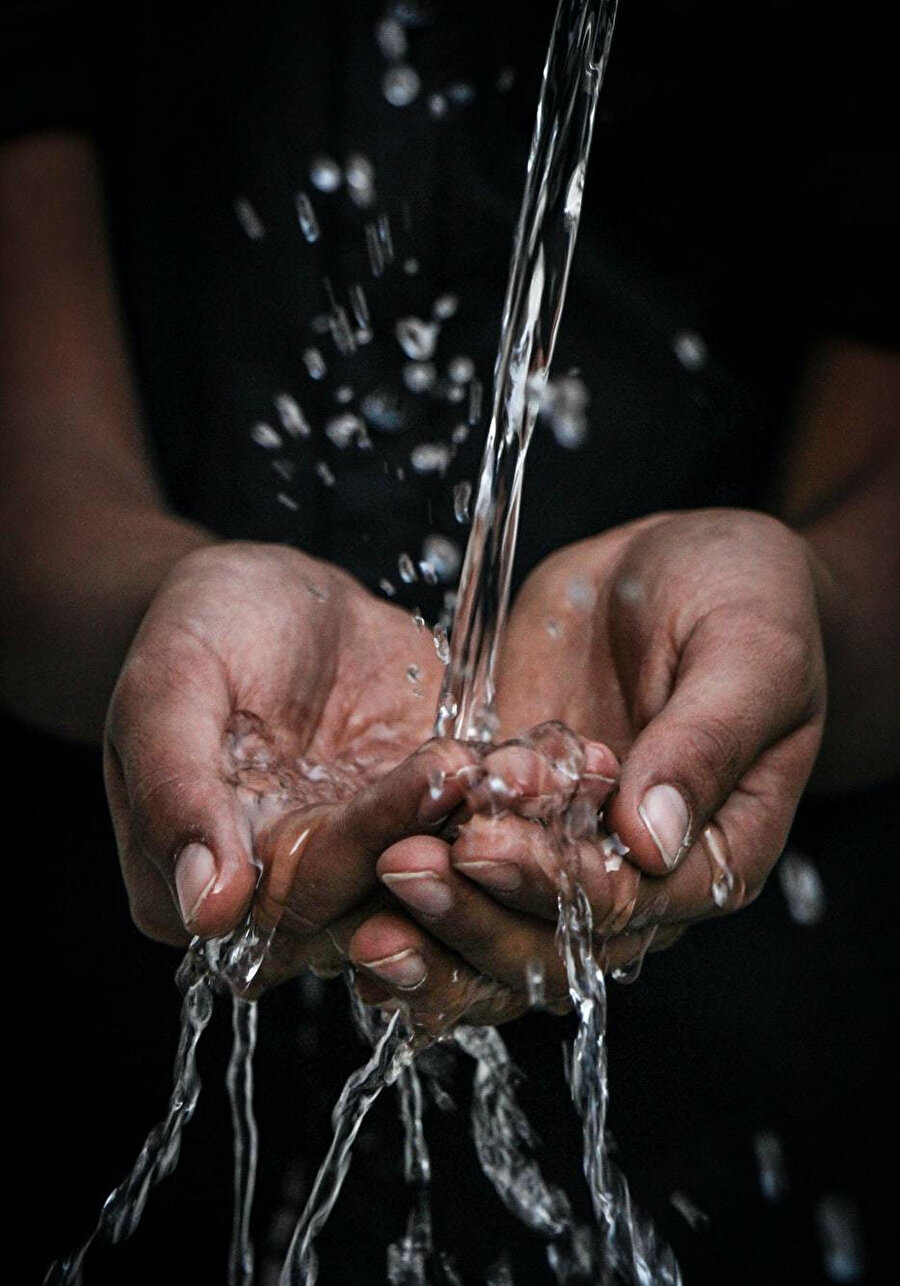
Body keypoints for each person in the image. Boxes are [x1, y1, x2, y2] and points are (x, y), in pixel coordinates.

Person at [3, 1, 897, 1281]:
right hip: (85, 1012)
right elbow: (26, 466)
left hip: (748, 1043)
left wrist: (810, 612)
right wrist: (159, 608)